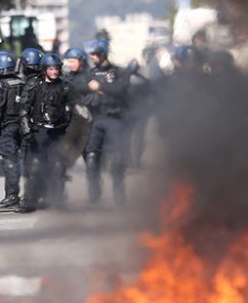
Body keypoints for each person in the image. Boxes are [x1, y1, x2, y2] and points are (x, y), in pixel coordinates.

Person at [18, 53, 73, 212]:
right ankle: (29, 201)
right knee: (35, 168)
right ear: (44, 70)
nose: (54, 71)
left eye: (56, 68)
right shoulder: (33, 86)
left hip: (58, 132)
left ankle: (58, 200)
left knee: (57, 167)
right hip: (38, 132)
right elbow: (24, 110)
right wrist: (27, 130)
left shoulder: (64, 86)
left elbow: (72, 109)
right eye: (51, 69)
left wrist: (69, 128)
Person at [82, 38, 130, 205]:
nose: (92, 57)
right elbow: (84, 89)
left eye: (95, 54)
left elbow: (121, 90)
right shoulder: (90, 73)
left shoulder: (119, 72)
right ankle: (94, 191)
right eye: (91, 54)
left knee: (117, 159)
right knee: (92, 157)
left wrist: (101, 87)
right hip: (96, 119)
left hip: (115, 118)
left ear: (103, 54)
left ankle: (119, 192)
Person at [0, 51, 24, 210]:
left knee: (10, 162)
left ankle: (12, 196)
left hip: (7, 127)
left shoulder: (1, 85)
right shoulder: (21, 82)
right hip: (22, 126)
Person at [124, 58, 153, 170]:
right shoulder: (145, 81)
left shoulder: (123, 80)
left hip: (129, 113)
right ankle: (136, 162)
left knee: (127, 138)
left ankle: (131, 163)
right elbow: (152, 96)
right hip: (141, 112)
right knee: (138, 138)